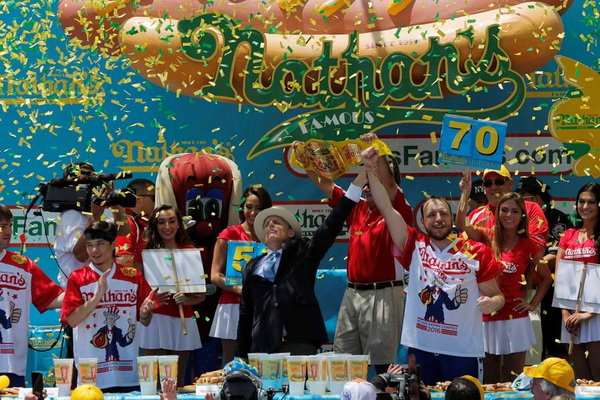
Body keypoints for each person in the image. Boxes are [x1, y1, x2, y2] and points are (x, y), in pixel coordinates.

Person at [363, 147, 505, 385]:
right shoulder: (413, 244)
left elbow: (497, 295)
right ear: (423, 220)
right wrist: (370, 170)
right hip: (421, 350)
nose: (438, 219)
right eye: (432, 215)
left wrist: (492, 302)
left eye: (443, 214)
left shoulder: (476, 250)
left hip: (463, 351)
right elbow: (386, 207)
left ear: (452, 219)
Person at [296, 133, 413, 373]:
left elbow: (388, 185)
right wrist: (304, 160)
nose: (369, 185)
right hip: (352, 294)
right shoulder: (355, 208)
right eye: (367, 180)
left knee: (383, 367)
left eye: (374, 178)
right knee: (343, 363)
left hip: (384, 293)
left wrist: (374, 152)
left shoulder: (397, 208)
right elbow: (325, 184)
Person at [236, 172, 364, 357]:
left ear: (290, 233)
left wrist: (357, 185)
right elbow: (246, 314)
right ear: (263, 238)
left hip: (299, 343)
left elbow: (332, 223)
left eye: (276, 222)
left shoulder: (303, 253)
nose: (270, 225)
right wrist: (240, 357)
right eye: (266, 224)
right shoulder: (251, 266)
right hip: (263, 346)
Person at [61, 221, 157, 392]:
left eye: (100, 244)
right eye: (90, 245)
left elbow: (146, 321)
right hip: (91, 376)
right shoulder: (77, 278)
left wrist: (144, 314)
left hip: (128, 374)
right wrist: (97, 297)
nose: (94, 251)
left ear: (113, 244)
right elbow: (72, 320)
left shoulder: (133, 276)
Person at [480, 192, 552, 383]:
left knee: (513, 381)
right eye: (504, 210)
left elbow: (546, 278)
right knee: (490, 381)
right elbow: (462, 227)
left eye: (514, 211)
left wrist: (532, 303)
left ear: (522, 215)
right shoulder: (487, 237)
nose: (509, 215)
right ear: (497, 213)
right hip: (488, 317)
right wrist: (464, 194)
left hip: (516, 318)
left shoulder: (528, 245)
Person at [135, 205, 206, 386]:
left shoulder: (189, 250)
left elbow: (200, 295)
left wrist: (186, 298)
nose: (167, 226)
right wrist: (152, 300)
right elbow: (138, 284)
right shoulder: (145, 249)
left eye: (172, 221)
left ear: (179, 223)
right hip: (155, 318)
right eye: (161, 222)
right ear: (155, 225)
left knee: (178, 381)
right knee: (154, 381)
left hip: (182, 319)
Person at [0, 205, 64, 387]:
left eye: (10, 225)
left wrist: (89, 291)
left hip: (12, 365)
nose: (8, 231)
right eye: (1, 227)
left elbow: (52, 298)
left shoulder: (23, 265)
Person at [210, 186, 272, 365]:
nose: (253, 212)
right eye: (249, 207)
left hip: (263, 306)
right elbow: (215, 275)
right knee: (232, 362)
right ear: (242, 208)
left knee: (262, 361)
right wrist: (239, 289)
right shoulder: (229, 234)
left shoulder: (272, 235)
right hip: (232, 306)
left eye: (259, 208)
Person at [517, 176, 572, 359]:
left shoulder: (556, 217)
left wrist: (530, 264)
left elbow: (557, 254)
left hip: (552, 289)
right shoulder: (518, 218)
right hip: (526, 287)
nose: (520, 200)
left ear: (537, 198)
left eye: (524, 196)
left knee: (553, 342)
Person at [54, 162, 130, 287]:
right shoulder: (71, 214)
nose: (89, 185)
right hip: (77, 295)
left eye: (92, 179)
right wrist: (95, 217)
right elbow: (81, 254)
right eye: (83, 178)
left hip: (98, 291)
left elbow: (123, 230)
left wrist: (114, 201)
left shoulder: (96, 210)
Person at [555, 182, 600, 380]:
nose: (585, 206)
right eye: (581, 201)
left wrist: (589, 314)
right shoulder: (568, 235)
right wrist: (566, 314)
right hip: (571, 317)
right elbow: (560, 278)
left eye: (591, 202)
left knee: (598, 378)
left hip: (596, 316)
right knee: (580, 380)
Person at [456, 166, 549, 248]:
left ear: (510, 183)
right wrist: (465, 193)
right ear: (483, 187)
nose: (493, 187)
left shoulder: (531, 208)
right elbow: (463, 248)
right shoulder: (474, 215)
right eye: (488, 183)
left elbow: (537, 249)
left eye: (499, 182)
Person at [115, 178, 156, 267]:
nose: (157, 202)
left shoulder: (137, 220)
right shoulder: (127, 222)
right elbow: (124, 260)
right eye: (154, 197)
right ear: (138, 199)